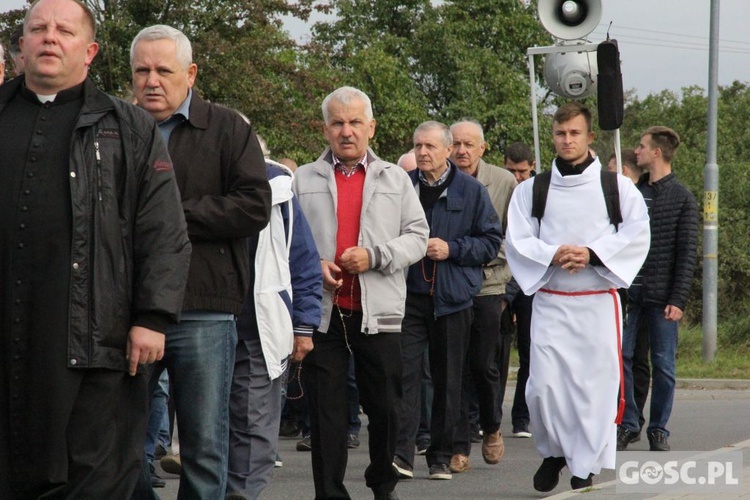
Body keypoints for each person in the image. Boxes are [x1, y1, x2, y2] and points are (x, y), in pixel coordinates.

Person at [0, 0, 191, 497]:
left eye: (64, 30)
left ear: (89, 51)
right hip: (9, 336)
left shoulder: (129, 128)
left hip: (91, 338)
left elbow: (164, 230)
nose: (49, 38)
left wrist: (152, 316)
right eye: (38, 28)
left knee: (92, 478)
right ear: (21, 45)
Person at [130, 24, 272, 498]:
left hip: (204, 307)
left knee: (205, 447)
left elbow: (254, 205)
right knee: (119, 444)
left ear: (190, 74)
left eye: (163, 70)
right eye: (142, 70)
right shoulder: (112, 129)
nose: (152, 80)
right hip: (126, 309)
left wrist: (170, 216)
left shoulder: (229, 128)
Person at [505, 102, 650, 492]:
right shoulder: (532, 189)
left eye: (574, 133)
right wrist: (552, 253)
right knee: (543, 387)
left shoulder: (615, 187)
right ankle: (554, 451)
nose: (567, 140)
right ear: (551, 136)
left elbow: (636, 233)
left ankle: (583, 466)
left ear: (589, 137)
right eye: (560, 133)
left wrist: (592, 253)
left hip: (598, 300)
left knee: (594, 389)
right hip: (552, 299)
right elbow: (517, 239)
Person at [293, 86, 429, 500]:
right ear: (325, 129)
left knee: (386, 406)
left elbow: (419, 237)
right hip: (323, 313)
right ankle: (329, 494)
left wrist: (374, 255)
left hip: (379, 311)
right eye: (337, 122)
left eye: (355, 122)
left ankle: (382, 485)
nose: (346, 131)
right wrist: (313, 266)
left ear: (371, 127)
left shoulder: (395, 178)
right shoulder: (303, 178)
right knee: (327, 414)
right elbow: (287, 242)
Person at [393, 121, 502, 481]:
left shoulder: (471, 191)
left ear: (447, 150)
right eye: (418, 145)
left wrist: (452, 248)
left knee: (447, 379)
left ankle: (440, 456)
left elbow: (490, 242)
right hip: (408, 297)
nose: (423, 152)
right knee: (405, 378)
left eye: (429, 146)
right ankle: (402, 454)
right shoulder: (401, 186)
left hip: (452, 298)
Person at [226, 157, 323, 499]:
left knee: (252, 427)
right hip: (195, 323)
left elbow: (303, 259)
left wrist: (304, 324)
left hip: (257, 329)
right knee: (205, 430)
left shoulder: (279, 192)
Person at [617, 126, 699, 453]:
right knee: (622, 357)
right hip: (630, 296)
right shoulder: (633, 193)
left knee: (663, 365)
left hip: (663, 298)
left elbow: (687, 253)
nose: (636, 151)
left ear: (656, 153)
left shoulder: (683, 198)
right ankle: (629, 423)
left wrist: (678, 299)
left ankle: (659, 429)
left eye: (641, 146)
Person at [447, 119, 516, 473]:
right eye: (455, 144)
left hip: (489, 285)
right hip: (451, 285)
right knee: (454, 366)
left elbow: (511, 237)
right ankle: (460, 445)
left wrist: (474, 258)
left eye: (468, 144)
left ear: (482, 148)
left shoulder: (503, 182)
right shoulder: (442, 180)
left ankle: (491, 426)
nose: (461, 151)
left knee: (483, 365)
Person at [502, 141, 536, 438]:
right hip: (499, 282)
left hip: (527, 285)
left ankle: (521, 418)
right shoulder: (499, 191)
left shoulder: (536, 194)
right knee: (493, 355)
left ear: (532, 167)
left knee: (528, 352)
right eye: (511, 171)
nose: (517, 178)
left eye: (522, 172)